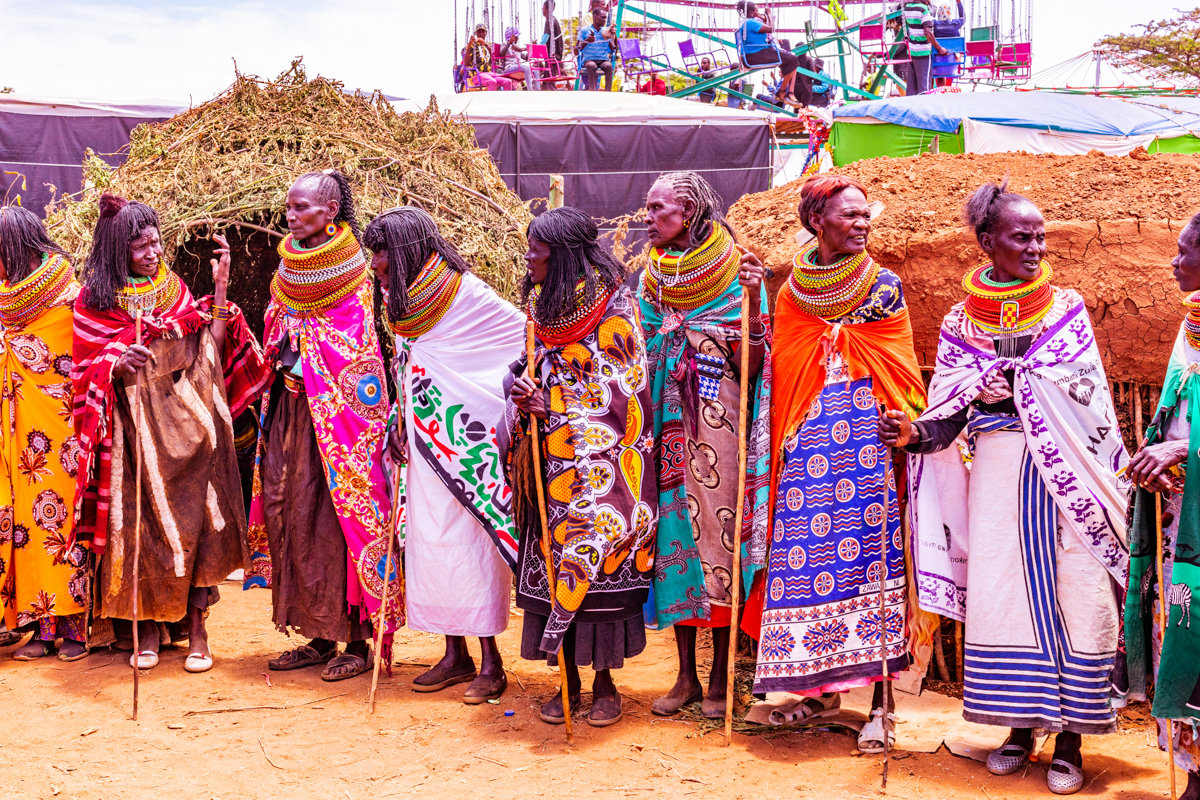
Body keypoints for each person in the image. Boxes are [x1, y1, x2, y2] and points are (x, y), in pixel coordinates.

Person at [881, 181, 1130, 795]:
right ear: (988, 241)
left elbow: (1085, 397)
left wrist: (1017, 382)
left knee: (1076, 594)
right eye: (1023, 236)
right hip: (996, 475)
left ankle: (1071, 737)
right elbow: (950, 410)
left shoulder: (1066, 308)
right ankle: (1019, 729)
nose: (1036, 246)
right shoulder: (960, 321)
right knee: (1008, 598)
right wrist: (918, 429)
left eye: (1041, 236)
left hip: (1066, 479)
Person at [743, 175, 931, 754]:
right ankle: (820, 692)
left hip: (867, 447)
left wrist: (901, 422)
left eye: (864, 215)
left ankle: (882, 707)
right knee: (802, 563)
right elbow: (775, 365)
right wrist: (753, 296)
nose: (861, 223)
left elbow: (899, 363)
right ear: (817, 222)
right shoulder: (792, 292)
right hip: (804, 445)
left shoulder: (884, 288)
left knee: (873, 570)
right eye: (848, 216)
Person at [73, 194, 269, 673]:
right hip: (132, 436)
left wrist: (220, 292)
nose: (152, 253)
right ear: (117, 252)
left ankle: (198, 629)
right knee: (139, 530)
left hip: (187, 427)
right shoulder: (94, 303)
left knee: (198, 524)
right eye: (140, 247)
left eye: (156, 243)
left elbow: (211, 351)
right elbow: (81, 368)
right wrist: (115, 363)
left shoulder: (175, 290)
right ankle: (144, 631)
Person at [501, 206, 656, 728]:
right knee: (551, 559)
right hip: (549, 467)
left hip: (603, 475)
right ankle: (565, 679)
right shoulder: (546, 307)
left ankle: (606, 685)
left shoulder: (615, 314)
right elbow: (532, 367)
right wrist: (522, 390)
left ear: (562, 255)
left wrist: (558, 407)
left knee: (596, 566)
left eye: (536, 249)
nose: (528, 257)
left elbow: (620, 394)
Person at [365, 207, 525, 703]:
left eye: (385, 264)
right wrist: (398, 419)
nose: (378, 273)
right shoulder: (406, 300)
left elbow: (522, 340)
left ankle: (492, 662)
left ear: (410, 254)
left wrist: (474, 405)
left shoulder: (465, 295)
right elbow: (408, 365)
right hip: (419, 443)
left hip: (465, 448)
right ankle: (455, 654)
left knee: (471, 549)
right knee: (429, 547)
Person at [248, 170, 401, 682]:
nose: (291, 216)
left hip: (341, 416)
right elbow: (278, 321)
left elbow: (353, 341)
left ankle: (357, 642)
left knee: (341, 518)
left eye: (302, 207)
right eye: (289, 207)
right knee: (292, 511)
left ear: (330, 209)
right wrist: (286, 329)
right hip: (292, 407)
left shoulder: (354, 270)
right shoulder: (289, 264)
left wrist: (304, 332)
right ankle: (316, 634)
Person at [638, 171, 772, 719]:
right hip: (666, 422)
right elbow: (641, 343)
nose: (648, 218)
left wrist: (753, 307)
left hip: (719, 425)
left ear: (689, 212)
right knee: (673, 538)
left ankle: (721, 678)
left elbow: (757, 364)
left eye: (658, 209)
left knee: (719, 543)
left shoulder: (736, 272)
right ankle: (685, 676)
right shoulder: (652, 278)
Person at [1124, 213, 1200, 800]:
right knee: (1181, 635)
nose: (1172, 264)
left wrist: (1180, 448)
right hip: (1185, 519)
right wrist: (1158, 453)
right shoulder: (1190, 326)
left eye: (1183, 253)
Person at [0, 207, 88, 662]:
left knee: (59, 524)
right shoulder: (5, 302)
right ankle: (40, 627)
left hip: (61, 435)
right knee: (24, 530)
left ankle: (75, 628)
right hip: (15, 439)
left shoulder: (72, 300)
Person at [736, 1, 800, 104]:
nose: (758, 12)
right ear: (751, 13)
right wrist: (769, 14)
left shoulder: (745, 22)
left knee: (790, 57)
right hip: (757, 54)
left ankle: (789, 91)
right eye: (756, 11)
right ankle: (782, 92)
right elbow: (771, 29)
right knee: (793, 60)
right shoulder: (751, 22)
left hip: (753, 54)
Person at [902, 0, 949, 96]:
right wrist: (939, 48)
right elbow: (927, 32)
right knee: (924, 87)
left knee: (911, 87)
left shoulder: (908, 8)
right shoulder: (923, 10)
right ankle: (924, 110)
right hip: (923, 53)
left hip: (911, 52)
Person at [465, 23, 514, 92]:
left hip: (490, 73)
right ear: (476, 33)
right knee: (492, 82)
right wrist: (470, 44)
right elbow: (466, 63)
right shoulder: (472, 45)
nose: (481, 34)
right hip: (478, 75)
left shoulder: (489, 45)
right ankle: (490, 101)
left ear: (486, 33)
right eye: (479, 32)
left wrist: (485, 44)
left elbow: (493, 58)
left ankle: (506, 101)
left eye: (482, 32)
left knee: (508, 81)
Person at [576, 7, 616, 91]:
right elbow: (576, 50)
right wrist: (587, 40)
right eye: (602, 17)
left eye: (605, 17)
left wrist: (614, 35)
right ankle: (592, 91)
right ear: (594, 16)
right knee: (591, 66)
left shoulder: (605, 31)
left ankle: (608, 92)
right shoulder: (584, 30)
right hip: (589, 59)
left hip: (603, 59)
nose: (604, 20)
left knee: (608, 66)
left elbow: (614, 48)